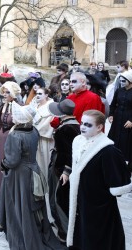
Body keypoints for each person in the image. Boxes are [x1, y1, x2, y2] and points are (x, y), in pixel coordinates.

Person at [0, 102, 65, 250]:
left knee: (20, 204)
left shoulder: (15, 135)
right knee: (31, 204)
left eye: (15, 114)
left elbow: (12, 161)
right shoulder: (33, 130)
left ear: (20, 119)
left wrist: (3, 164)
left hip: (19, 175)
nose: (12, 116)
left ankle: (23, 232)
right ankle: (36, 229)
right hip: (34, 170)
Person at [67, 110, 132, 250]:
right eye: (82, 123)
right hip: (81, 199)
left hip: (100, 205)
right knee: (82, 232)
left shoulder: (108, 151)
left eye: (88, 125)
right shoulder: (78, 141)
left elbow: (117, 182)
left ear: (100, 127)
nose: (82, 127)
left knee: (99, 238)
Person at [47, 99, 80, 241]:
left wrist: (66, 171)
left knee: (58, 199)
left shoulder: (64, 129)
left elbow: (68, 153)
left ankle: (64, 231)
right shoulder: (76, 125)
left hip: (61, 169)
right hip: (70, 167)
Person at [108, 70, 132, 172]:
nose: (121, 82)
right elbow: (113, 104)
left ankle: (129, 164)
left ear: (130, 81)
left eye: (123, 80)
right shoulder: (119, 91)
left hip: (131, 121)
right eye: (120, 80)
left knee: (129, 142)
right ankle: (116, 161)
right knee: (115, 140)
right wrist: (111, 115)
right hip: (118, 120)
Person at [0, 81, 22, 193]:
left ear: (13, 93)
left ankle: (10, 191)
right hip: (2, 137)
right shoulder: (2, 105)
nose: (4, 94)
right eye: (3, 92)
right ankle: (0, 189)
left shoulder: (19, 106)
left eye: (7, 92)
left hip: (13, 137)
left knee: (9, 162)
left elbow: (20, 124)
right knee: (1, 161)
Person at [32, 87, 54, 180]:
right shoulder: (35, 105)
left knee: (43, 161)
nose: (37, 95)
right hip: (33, 137)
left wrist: (35, 130)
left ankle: (44, 182)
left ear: (46, 95)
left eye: (40, 94)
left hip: (43, 138)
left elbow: (48, 124)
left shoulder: (51, 107)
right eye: (37, 93)